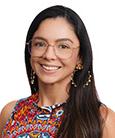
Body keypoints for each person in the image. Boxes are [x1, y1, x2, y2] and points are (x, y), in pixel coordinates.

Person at [0, 5, 115, 138]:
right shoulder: (10, 113)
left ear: (80, 58)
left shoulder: (102, 120)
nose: (49, 55)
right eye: (40, 44)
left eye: (63, 46)